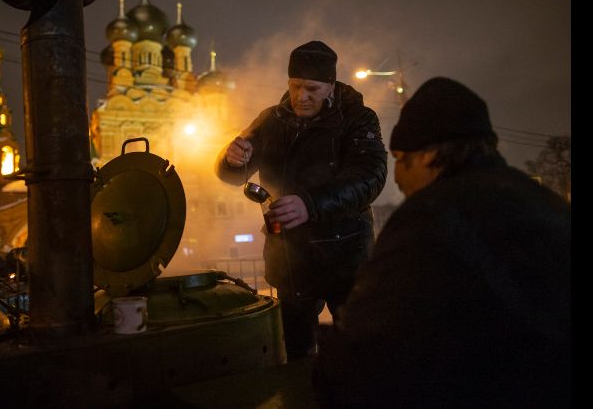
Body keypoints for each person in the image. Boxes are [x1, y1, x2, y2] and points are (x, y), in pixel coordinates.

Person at [312, 77, 571, 408]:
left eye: (401, 159)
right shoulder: (547, 203)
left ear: (428, 155)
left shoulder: (430, 218)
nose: (399, 178)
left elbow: (364, 349)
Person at [215, 40, 388, 360]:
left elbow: (370, 178)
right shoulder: (270, 120)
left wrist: (309, 204)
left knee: (356, 349)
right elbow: (232, 175)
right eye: (295, 86)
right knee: (296, 351)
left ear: (331, 86)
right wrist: (232, 160)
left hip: (345, 256)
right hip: (290, 257)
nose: (301, 96)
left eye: (312, 88)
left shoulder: (358, 119)